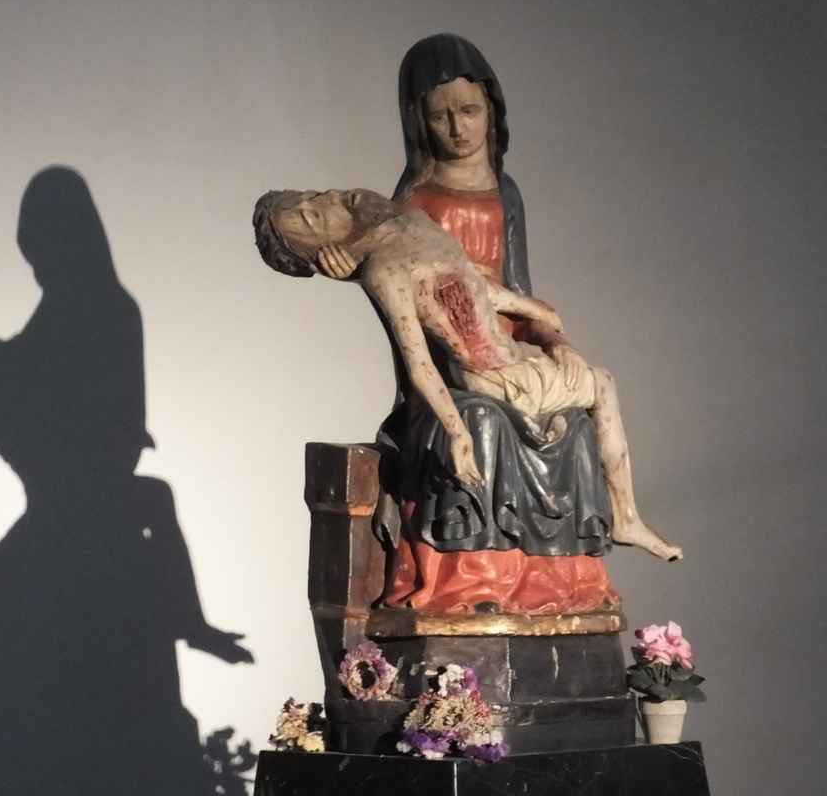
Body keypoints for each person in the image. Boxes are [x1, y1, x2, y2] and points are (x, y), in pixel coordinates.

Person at [254, 187, 682, 609]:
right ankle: (625, 517)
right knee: (602, 383)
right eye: (310, 219)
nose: (321, 203)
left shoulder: (411, 223)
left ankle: (623, 518)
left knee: (592, 390)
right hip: (493, 377)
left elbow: (472, 284)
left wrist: (530, 309)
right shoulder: (384, 270)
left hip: (520, 362)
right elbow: (419, 363)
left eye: (310, 198)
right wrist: (457, 433)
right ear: (323, 249)